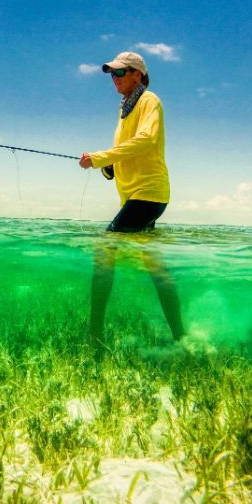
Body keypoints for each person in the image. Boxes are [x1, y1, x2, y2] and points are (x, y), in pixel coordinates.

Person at [79, 51, 183, 349]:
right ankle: (180, 336)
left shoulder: (149, 100)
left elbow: (146, 140)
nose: (115, 78)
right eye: (112, 73)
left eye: (120, 73)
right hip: (135, 196)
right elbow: (127, 153)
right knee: (155, 267)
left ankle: (94, 334)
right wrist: (109, 167)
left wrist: (101, 158)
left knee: (104, 248)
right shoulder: (124, 109)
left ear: (138, 74)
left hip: (149, 193)